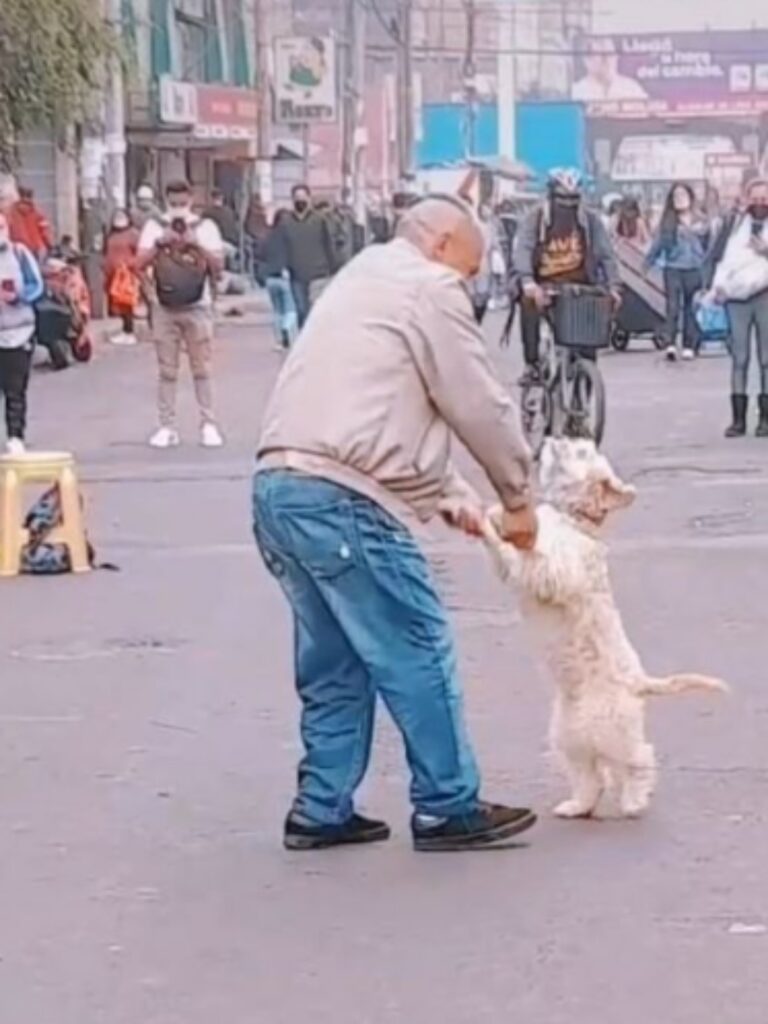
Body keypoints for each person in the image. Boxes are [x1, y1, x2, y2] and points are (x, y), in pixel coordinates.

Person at [252, 194, 539, 853]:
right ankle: (447, 802)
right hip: (343, 500)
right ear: (440, 244)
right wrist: (516, 496)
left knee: (335, 661)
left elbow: (382, 404)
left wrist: (453, 496)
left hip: (280, 486)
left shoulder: (363, 277)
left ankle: (320, 807)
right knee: (416, 646)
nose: (468, 285)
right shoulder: (430, 287)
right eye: (469, 269)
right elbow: (474, 402)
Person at [136, 179, 225, 449]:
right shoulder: (154, 227)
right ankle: (167, 426)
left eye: (182, 203)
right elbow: (137, 264)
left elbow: (219, 267)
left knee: (203, 369)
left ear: (191, 199)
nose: (178, 210)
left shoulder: (205, 227)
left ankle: (208, 423)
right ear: (166, 201)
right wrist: (159, 245)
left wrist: (195, 244)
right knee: (167, 371)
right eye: (173, 204)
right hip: (165, 307)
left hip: (198, 306)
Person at [514, 168, 621, 380]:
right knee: (528, 304)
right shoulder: (535, 219)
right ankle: (532, 363)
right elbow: (524, 249)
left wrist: (614, 287)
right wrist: (527, 281)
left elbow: (606, 255)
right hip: (543, 283)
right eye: (562, 199)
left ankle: (585, 380)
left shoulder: (590, 221)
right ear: (551, 196)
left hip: (581, 283)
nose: (568, 204)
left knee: (590, 332)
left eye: (573, 199)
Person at [708, 177, 768, 438]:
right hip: (735, 299)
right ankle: (738, 420)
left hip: (765, 296)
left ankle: (765, 419)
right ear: (746, 198)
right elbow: (721, 258)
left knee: (767, 359)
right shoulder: (733, 226)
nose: (759, 203)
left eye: (764, 199)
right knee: (739, 358)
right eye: (755, 198)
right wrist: (716, 287)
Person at [645, 182, 712, 362]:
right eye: (676, 196)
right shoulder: (668, 222)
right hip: (673, 269)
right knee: (673, 307)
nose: (679, 199)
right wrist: (646, 264)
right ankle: (671, 344)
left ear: (690, 198)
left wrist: (711, 269)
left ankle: (689, 345)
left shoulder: (702, 221)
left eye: (683, 195)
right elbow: (657, 245)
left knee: (691, 308)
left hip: (695, 269)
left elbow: (710, 247)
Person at [0, 211, 44, 453]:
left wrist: (17, 297)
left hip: (18, 334)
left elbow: (36, 285)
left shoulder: (19, 254)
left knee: (15, 388)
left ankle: (16, 434)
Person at [280, 185, 336, 326]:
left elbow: (329, 243)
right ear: (292, 200)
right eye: (297, 198)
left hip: (318, 273)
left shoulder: (320, 220)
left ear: (309, 199)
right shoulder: (286, 222)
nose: (300, 201)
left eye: (303, 197)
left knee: (314, 309)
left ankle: (314, 340)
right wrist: (282, 267)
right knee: (301, 309)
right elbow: (281, 246)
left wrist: (333, 267)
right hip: (296, 273)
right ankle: (303, 338)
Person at [261, 210, 298, 352]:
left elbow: (260, 254)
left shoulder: (267, 236)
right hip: (285, 275)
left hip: (270, 278)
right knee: (290, 309)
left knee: (277, 311)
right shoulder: (290, 236)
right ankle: (286, 330)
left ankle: (279, 341)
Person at [571, 37, 649, 103]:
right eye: (603, 56)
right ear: (587, 60)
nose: (608, 61)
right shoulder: (577, 92)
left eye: (611, 54)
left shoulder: (632, 88)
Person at [104, 209, 140, 346]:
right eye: (116, 216)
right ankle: (125, 330)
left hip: (127, 275)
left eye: (122, 216)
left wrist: (131, 265)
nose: (119, 219)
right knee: (119, 304)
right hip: (113, 275)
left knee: (127, 303)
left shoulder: (133, 234)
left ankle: (129, 332)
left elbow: (139, 253)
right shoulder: (110, 235)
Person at [8, 187, 53, 261]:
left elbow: (8, 230)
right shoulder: (38, 213)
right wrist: (49, 245)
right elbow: (45, 232)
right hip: (37, 247)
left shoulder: (10, 213)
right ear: (31, 197)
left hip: (18, 248)